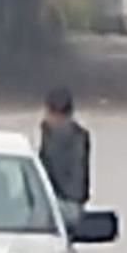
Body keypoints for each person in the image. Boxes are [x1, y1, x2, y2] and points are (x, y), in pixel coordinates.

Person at [38, 87, 90, 232]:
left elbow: (55, 171)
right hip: (71, 203)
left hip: (61, 204)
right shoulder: (80, 135)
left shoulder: (57, 136)